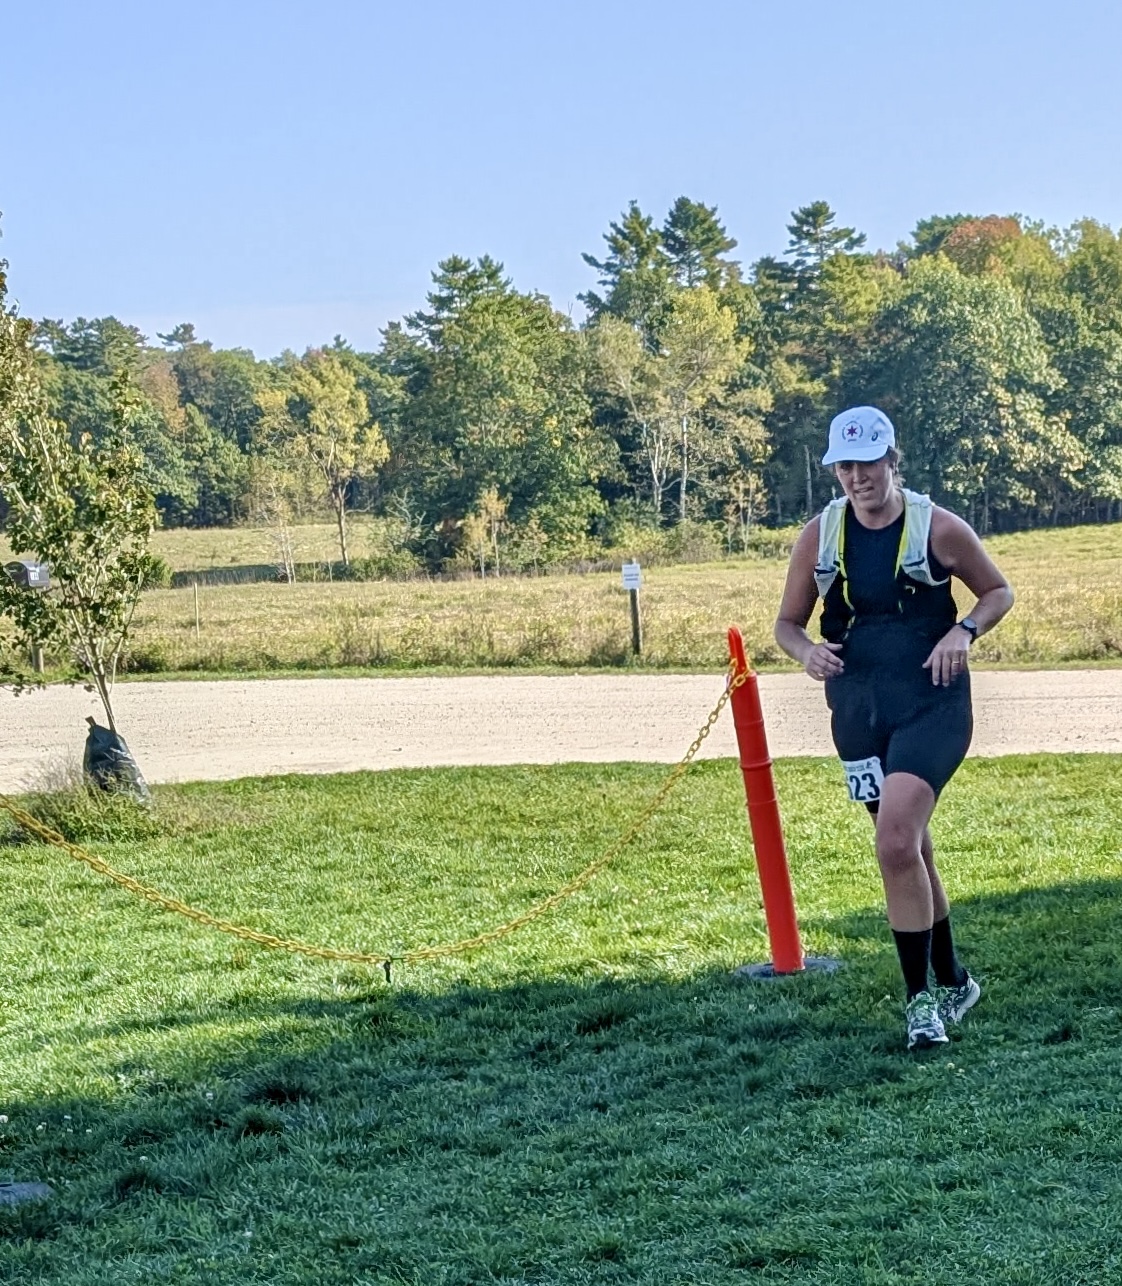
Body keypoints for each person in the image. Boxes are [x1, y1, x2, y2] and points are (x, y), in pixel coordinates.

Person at [773, 406, 1015, 1050]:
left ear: (891, 460)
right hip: (857, 711)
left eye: (868, 462)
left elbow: (997, 592)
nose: (858, 477)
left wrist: (963, 632)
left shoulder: (938, 526)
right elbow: (787, 624)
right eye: (845, 466)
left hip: (932, 703)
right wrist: (806, 654)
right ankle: (955, 979)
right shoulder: (818, 536)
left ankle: (921, 1005)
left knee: (894, 841)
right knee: (908, 846)